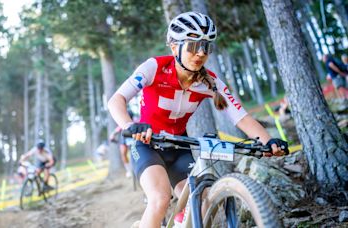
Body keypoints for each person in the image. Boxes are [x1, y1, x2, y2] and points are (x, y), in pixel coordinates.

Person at [107, 11, 289, 228]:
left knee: (200, 201)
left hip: (179, 146)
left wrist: (269, 141)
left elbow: (241, 117)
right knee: (160, 199)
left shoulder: (210, 82)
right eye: (193, 46)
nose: (201, 53)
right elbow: (116, 100)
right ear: (174, 46)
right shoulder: (154, 67)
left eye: (206, 46)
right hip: (147, 144)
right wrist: (130, 125)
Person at [110, 109, 135, 178]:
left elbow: (114, 133)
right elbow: (115, 131)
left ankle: (131, 169)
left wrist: (112, 137)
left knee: (126, 154)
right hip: (124, 139)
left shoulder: (135, 122)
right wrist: (112, 136)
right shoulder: (122, 124)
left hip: (133, 139)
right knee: (123, 153)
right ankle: (129, 170)